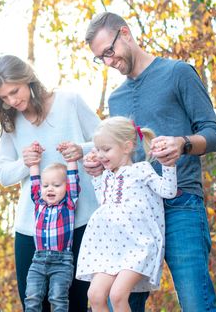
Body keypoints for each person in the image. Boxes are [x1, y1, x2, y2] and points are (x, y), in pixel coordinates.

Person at [83, 12, 216, 311]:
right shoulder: (117, 99)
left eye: (109, 51)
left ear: (125, 33)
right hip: (131, 217)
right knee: (114, 299)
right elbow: (125, 158)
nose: (108, 61)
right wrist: (102, 164)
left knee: (195, 302)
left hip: (179, 204)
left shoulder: (178, 73)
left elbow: (213, 134)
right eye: (100, 58)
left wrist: (182, 144)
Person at [0, 55, 100, 311]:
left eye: (14, 91)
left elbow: (107, 143)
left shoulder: (70, 101)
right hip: (32, 230)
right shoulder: (10, 121)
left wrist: (82, 149)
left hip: (80, 224)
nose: (12, 101)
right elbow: (3, 175)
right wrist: (25, 163)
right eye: (3, 97)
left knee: (75, 304)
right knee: (33, 304)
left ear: (28, 79)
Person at [76, 117, 177, 312]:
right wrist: (96, 177)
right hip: (108, 247)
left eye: (106, 149)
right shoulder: (106, 175)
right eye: (97, 150)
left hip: (138, 245)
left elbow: (168, 191)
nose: (100, 155)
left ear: (127, 147)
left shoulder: (141, 170)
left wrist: (168, 165)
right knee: (95, 296)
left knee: (117, 295)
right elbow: (103, 202)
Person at [24, 142, 81, 312]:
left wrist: (70, 158)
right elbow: (35, 181)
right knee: (32, 297)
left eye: (56, 185)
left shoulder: (68, 203)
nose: (50, 189)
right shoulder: (38, 202)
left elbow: (73, 178)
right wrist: (34, 162)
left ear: (66, 187)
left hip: (62, 261)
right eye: (46, 185)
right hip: (38, 260)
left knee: (57, 299)